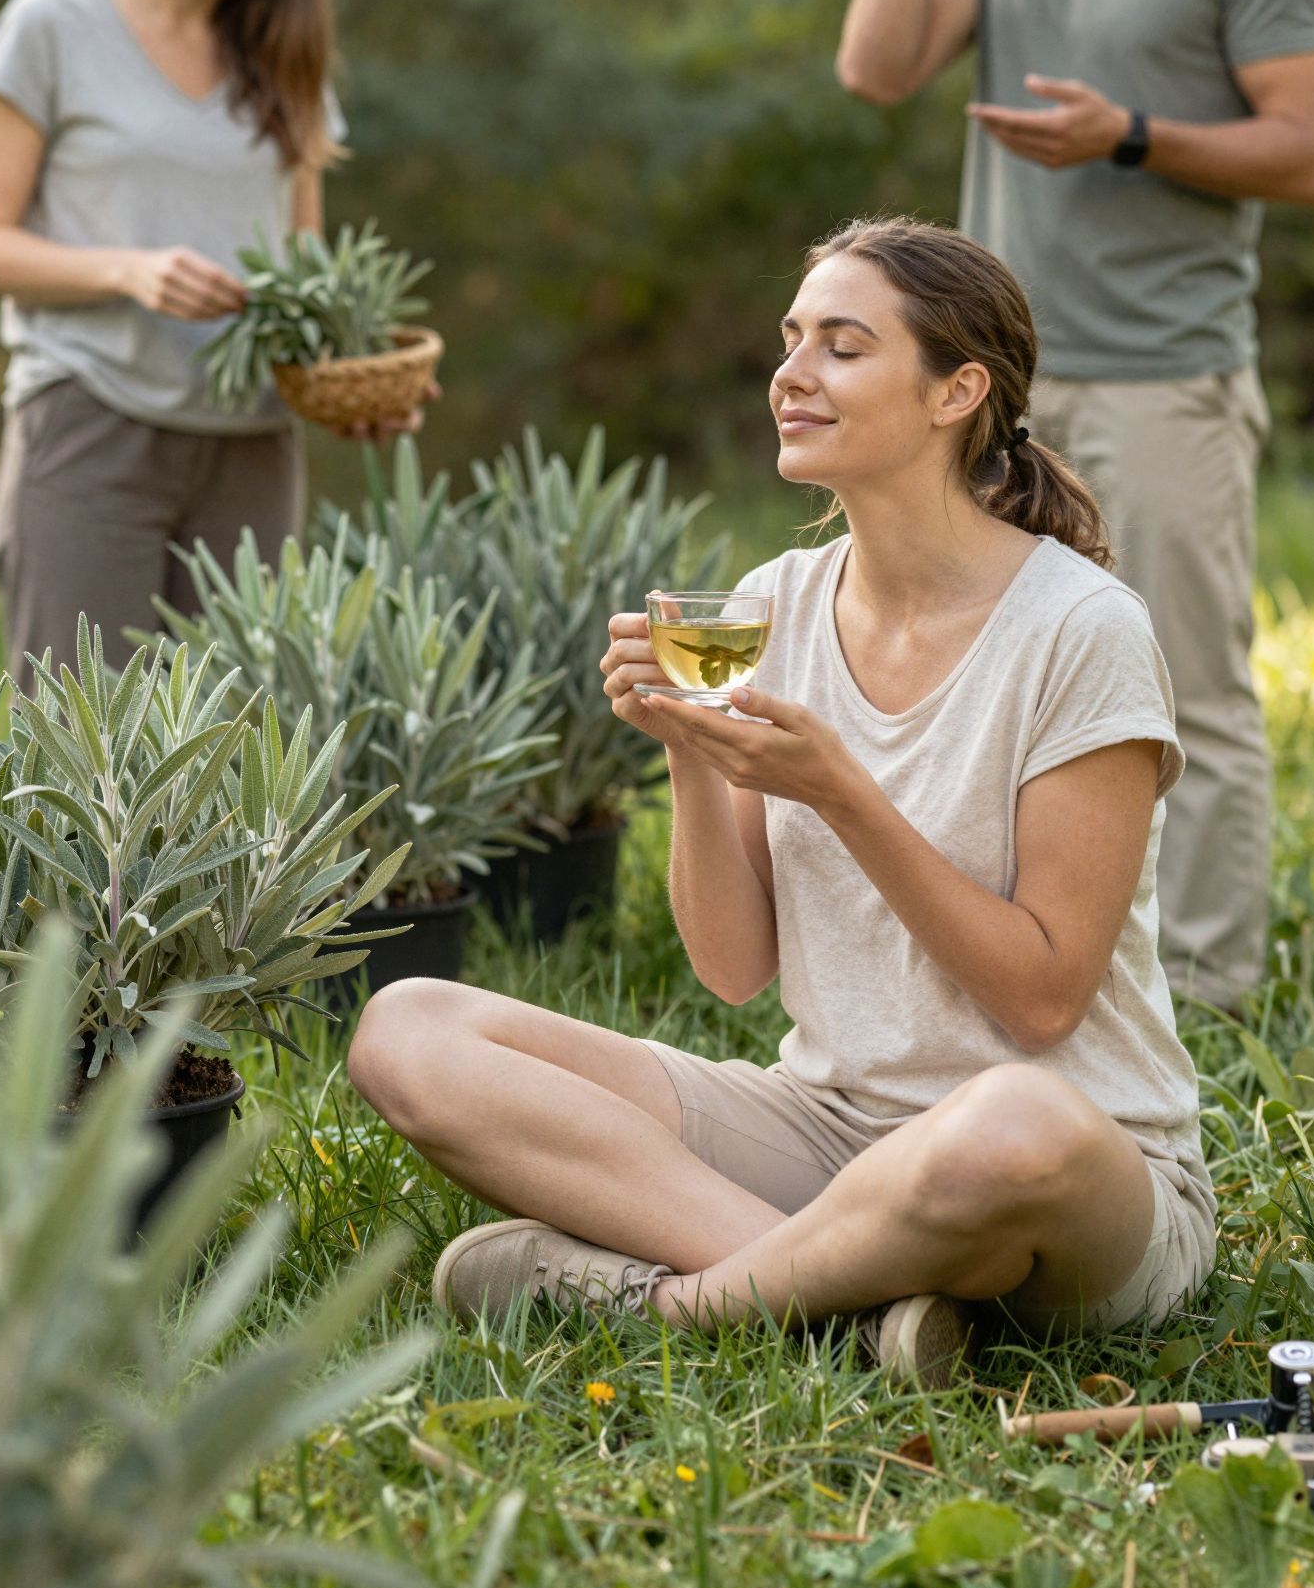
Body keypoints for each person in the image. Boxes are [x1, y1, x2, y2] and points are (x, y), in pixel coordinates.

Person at [346, 217, 1216, 1384]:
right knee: (409, 1029)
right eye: (791, 339)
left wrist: (842, 791)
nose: (791, 375)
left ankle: (678, 1303)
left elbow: (1045, 994)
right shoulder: (775, 604)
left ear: (958, 390)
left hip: (1071, 1164)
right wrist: (692, 755)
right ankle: (853, 1303)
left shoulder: (1079, 630)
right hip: (829, 1127)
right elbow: (732, 967)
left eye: (843, 347)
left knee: (1012, 1121)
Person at [835, 0, 1314, 1013]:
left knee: (1188, 696)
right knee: (1001, 689)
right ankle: (1041, 968)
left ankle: (1215, 999)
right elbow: (874, 66)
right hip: (993, 396)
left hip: (1162, 380)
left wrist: (1127, 137)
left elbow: (1308, 152)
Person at [0, 0, 424, 685]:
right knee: (82, 758)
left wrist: (354, 382)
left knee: (238, 761)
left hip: (251, 447)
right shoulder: (49, 26)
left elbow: (302, 266)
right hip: (91, 425)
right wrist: (128, 270)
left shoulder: (286, 57)